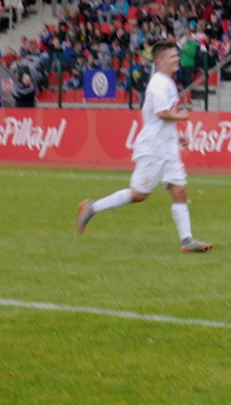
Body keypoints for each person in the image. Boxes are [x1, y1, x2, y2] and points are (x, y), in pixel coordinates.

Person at [76, 40, 213, 254]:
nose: (177, 58)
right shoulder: (159, 84)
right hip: (154, 149)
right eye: (172, 56)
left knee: (180, 191)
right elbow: (161, 113)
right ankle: (92, 207)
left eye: (177, 55)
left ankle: (187, 241)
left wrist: (177, 136)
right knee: (140, 194)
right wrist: (181, 116)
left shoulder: (167, 83)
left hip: (168, 148)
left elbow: (160, 119)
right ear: (159, 62)